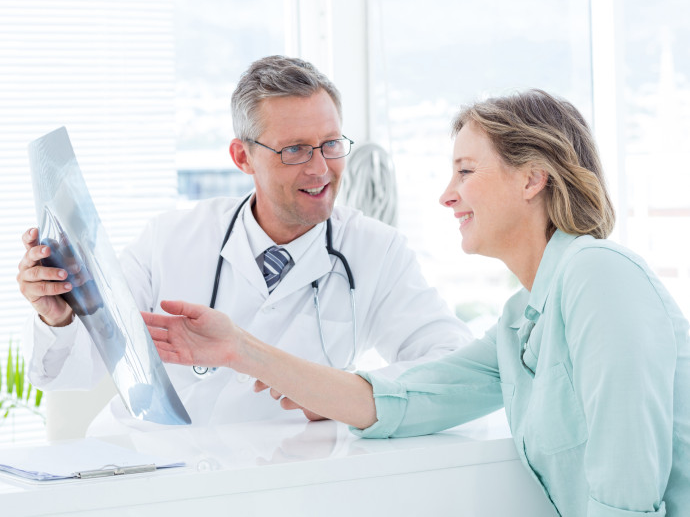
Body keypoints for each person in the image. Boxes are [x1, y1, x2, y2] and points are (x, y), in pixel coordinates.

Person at [143, 89, 690, 516]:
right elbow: (403, 398)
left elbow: (627, 488)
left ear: (533, 178)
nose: (447, 194)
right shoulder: (521, 322)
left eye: (466, 170)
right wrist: (239, 349)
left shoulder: (599, 274)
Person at [17, 55, 471, 434]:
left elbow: (452, 368)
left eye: (331, 144)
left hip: (273, 480)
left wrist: (341, 393)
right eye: (294, 150)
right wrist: (57, 319)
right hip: (146, 464)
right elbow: (68, 373)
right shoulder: (170, 238)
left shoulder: (376, 250)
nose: (321, 168)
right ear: (242, 157)